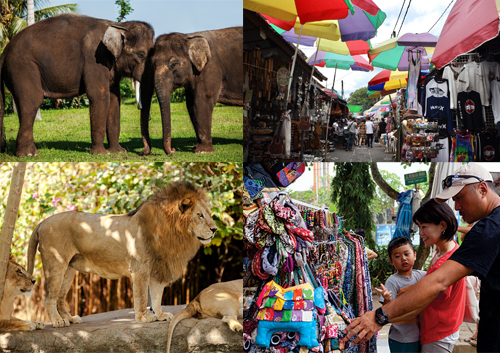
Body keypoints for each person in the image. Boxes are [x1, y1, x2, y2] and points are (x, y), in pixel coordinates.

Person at [342, 163, 500, 353]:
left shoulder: (489, 230)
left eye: (459, 198)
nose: (457, 207)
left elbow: (439, 281)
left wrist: (380, 316)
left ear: (483, 189)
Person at [412, 199, 466, 352]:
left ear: (442, 225)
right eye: (419, 227)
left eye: (424, 227)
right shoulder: (446, 250)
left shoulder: (445, 262)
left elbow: (427, 296)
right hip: (442, 327)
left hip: (438, 333)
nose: (420, 232)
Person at [375, 236, 426, 353]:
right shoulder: (393, 281)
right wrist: (387, 299)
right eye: (397, 256)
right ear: (391, 261)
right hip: (400, 338)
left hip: (419, 335)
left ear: (415, 255)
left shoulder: (420, 276)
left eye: (407, 254)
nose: (403, 259)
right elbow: (387, 310)